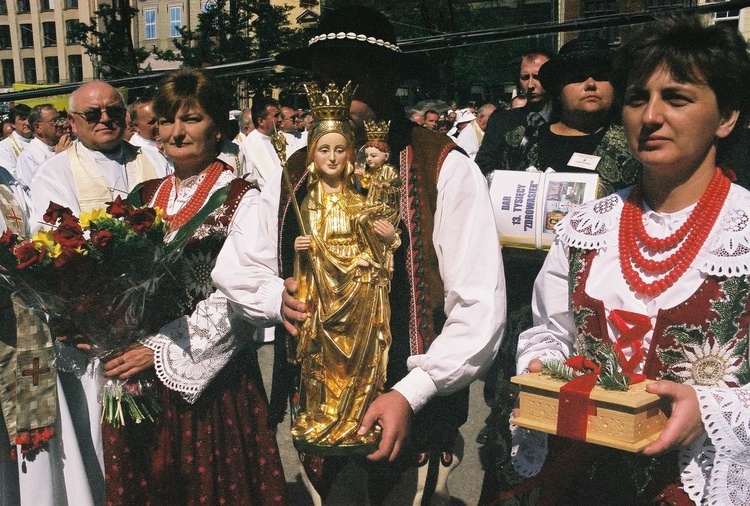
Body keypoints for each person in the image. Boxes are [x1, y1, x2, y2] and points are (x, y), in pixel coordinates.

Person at [213, 6, 505, 504]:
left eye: (355, 71)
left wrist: (413, 391)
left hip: (407, 419)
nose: (340, 86)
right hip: (320, 415)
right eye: (326, 73)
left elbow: (479, 305)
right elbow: (238, 265)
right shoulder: (298, 169)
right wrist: (274, 299)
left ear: (389, 78)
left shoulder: (441, 165)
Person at [505, 17, 750, 504]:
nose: (651, 116)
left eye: (677, 98)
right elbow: (552, 331)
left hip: (700, 482)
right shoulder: (585, 226)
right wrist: (544, 367)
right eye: (638, 99)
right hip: (584, 479)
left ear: (726, 118)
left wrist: (713, 409)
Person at [100, 68, 288, 505]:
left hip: (207, 383)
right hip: (136, 376)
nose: (176, 133)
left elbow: (240, 295)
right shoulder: (142, 195)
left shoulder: (244, 198)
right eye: (166, 121)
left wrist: (161, 350)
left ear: (219, 126)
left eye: (192, 119)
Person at [21, 81, 169, 506]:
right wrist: (105, 321)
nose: (105, 119)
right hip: (93, 337)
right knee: (103, 446)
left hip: (153, 330)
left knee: (163, 448)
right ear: (72, 121)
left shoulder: (153, 157)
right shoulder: (55, 172)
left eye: (114, 111)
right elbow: (61, 254)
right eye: (92, 114)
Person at [290, 82, 400, 449]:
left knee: (360, 364)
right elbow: (303, 259)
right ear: (312, 155)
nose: (332, 158)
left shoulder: (361, 201)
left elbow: (385, 250)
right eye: (324, 150)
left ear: (351, 154)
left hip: (361, 296)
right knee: (324, 360)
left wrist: (387, 241)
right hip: (323, 298)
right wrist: (300, 248)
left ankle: (357, 417)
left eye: (340, 149)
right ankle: (325, 414)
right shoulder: (308, 204)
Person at [475, 49, 554, 175]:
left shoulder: (567, 121)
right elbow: (482, 166)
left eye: (537, 77)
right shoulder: (501, 120)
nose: (530, 85)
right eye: (525, 77)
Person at [17, 104, 72, 188]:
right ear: (38, 127)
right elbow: (38, 188)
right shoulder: (29, 156)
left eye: (59, 119)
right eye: (54, 121)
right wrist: (58, 159)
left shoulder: (68, 144)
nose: (60, 124)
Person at [238, 96, 284, 189]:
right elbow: (249, 181)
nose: (280, 119)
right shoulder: (247, 147)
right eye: (276, 116)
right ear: (261, 121)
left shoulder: (281, 138)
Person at [0, 104, 32, 179]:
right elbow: (11, 174)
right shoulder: (3, 147)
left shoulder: (41, 140)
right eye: (22, 119)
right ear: (13, 124)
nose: (27, 122)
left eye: (29, 118)